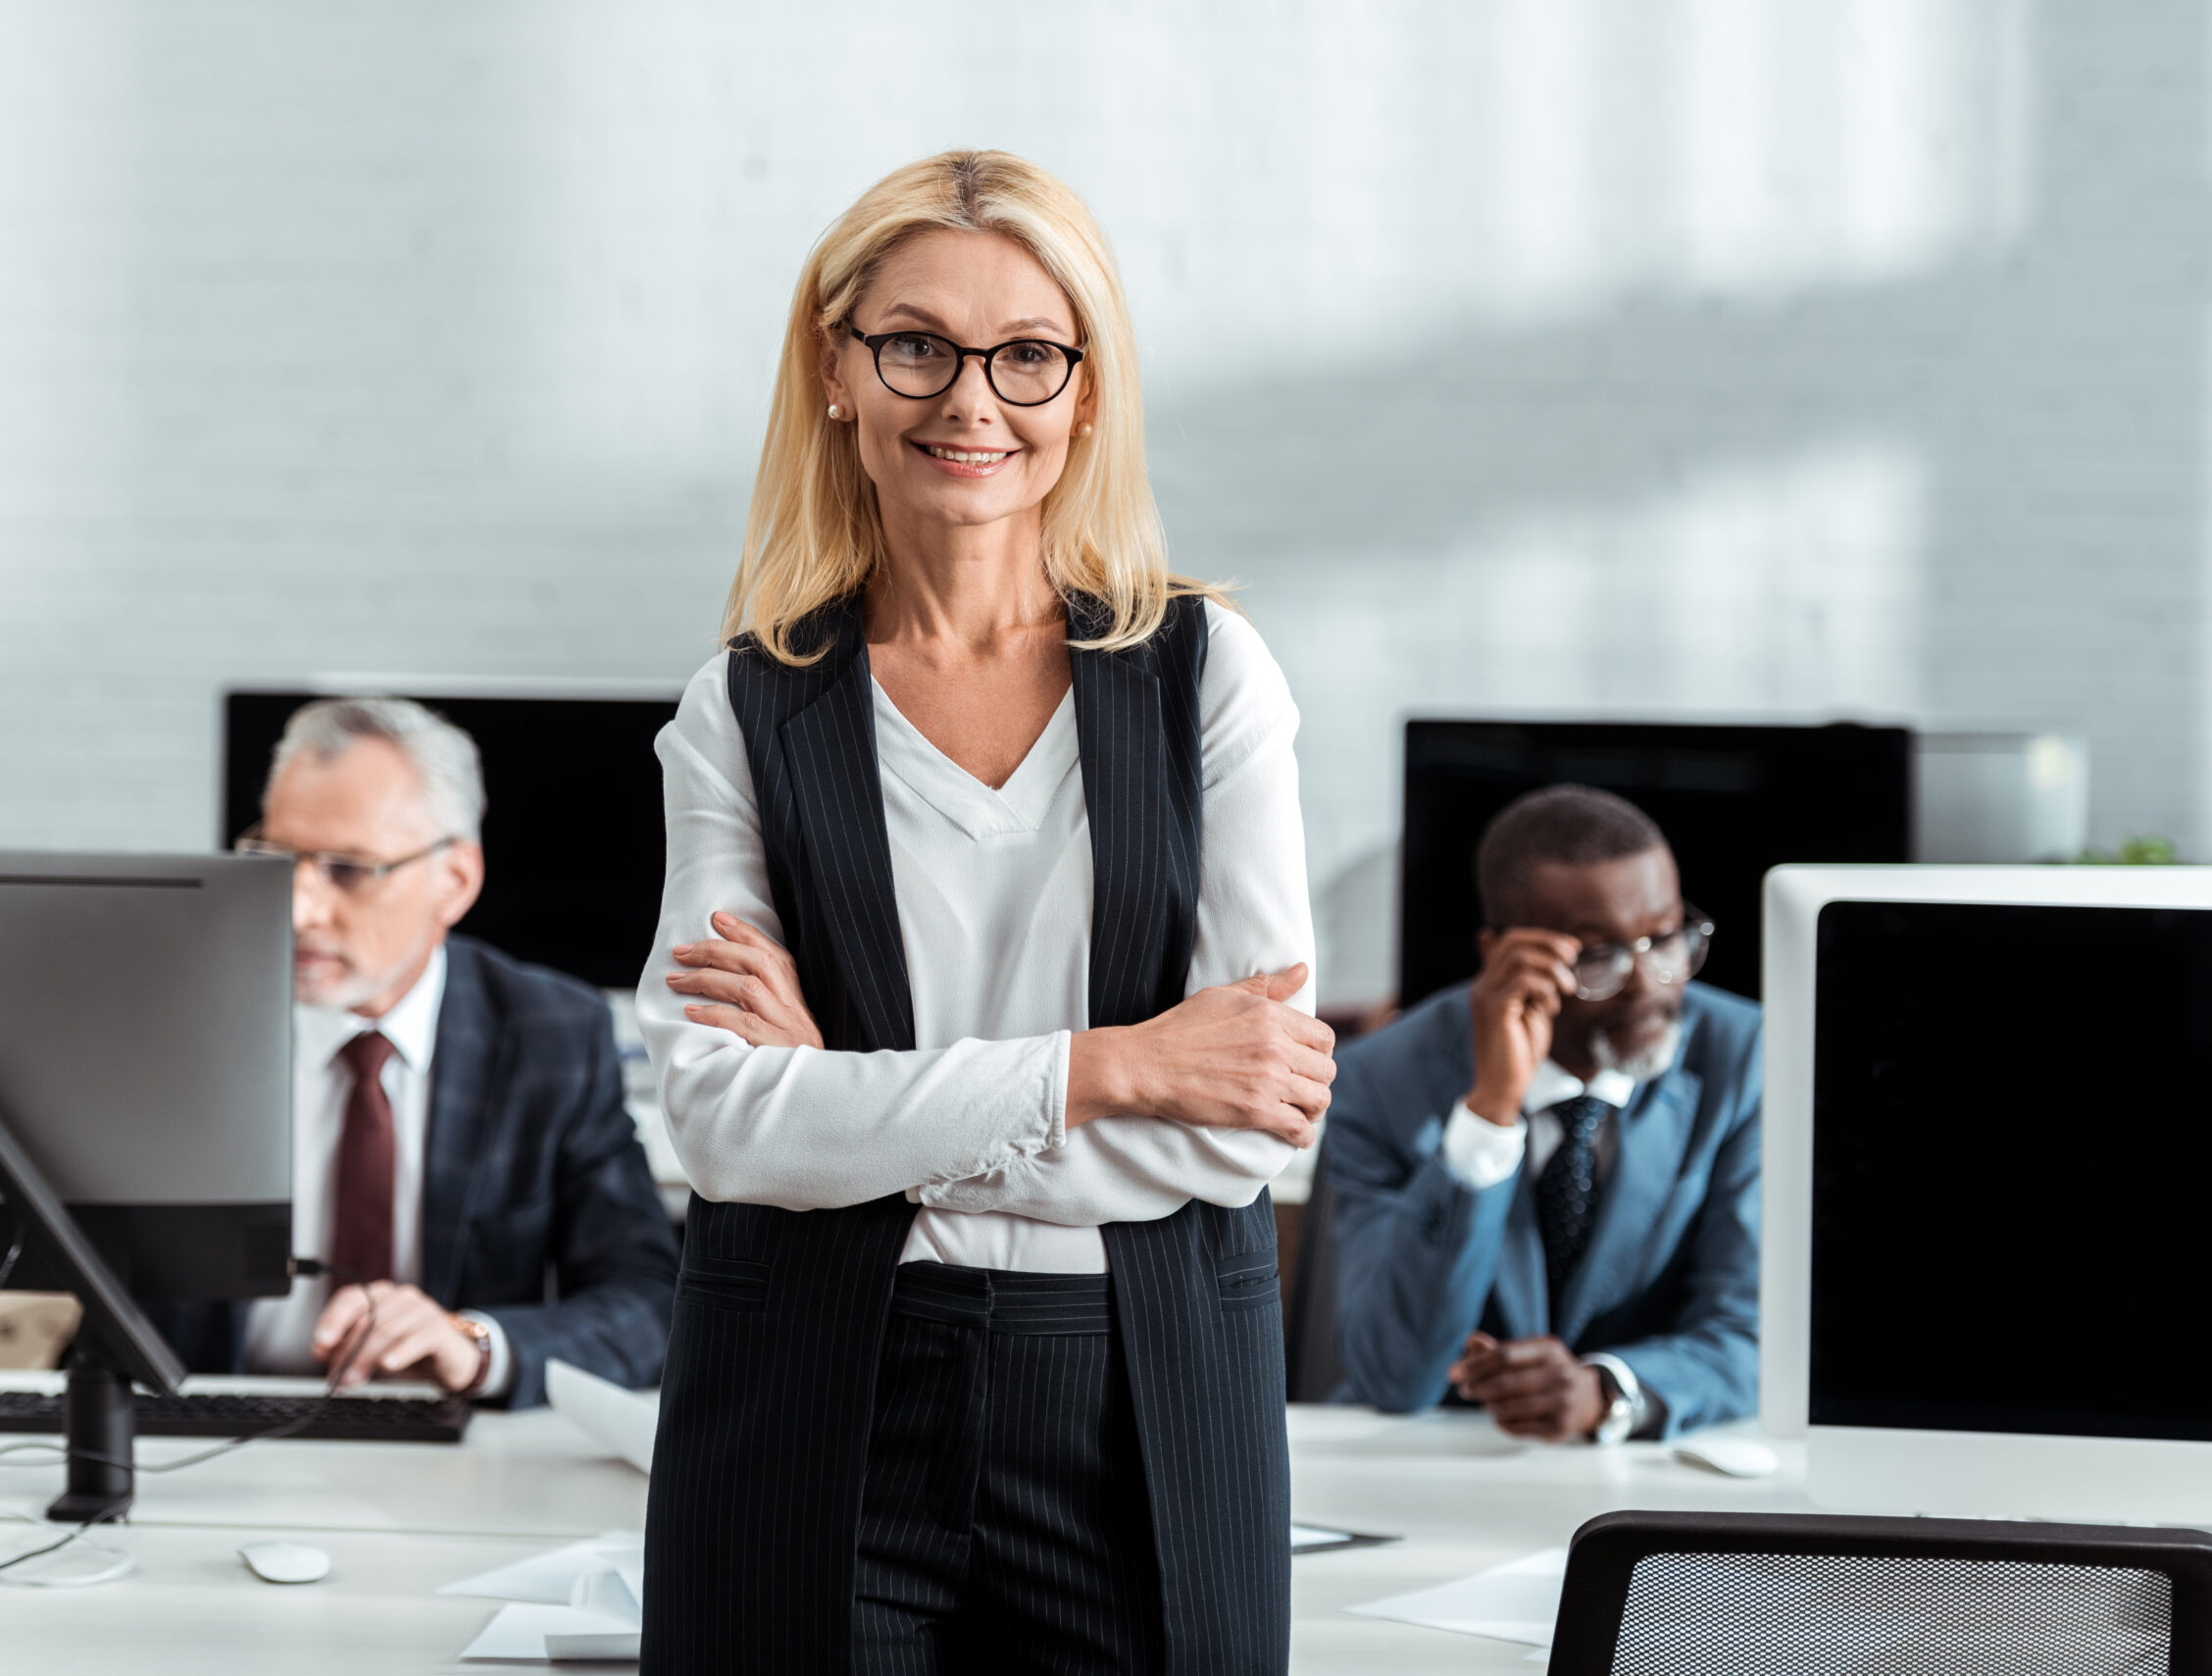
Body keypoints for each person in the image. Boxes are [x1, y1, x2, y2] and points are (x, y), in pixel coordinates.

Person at [635, 151, 1334, 1674]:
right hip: (813, 1394)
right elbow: (723, 1123)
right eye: (916, 345)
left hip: (1138, 1399)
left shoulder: (1206, 675)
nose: (972, 400)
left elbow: (1248, 1120)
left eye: (1028, 353)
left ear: (1087, 391)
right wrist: (1114, 1067)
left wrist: (855, 1118)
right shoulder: (745, 710)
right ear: (836, 370)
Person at [165, 696, 678, 1404]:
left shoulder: (549, 1034)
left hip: (444, 1445)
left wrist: (474, 1346)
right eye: (277, 859)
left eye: (348, 868)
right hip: (202, 1433)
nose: (298, 908)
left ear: (455, 881)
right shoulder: (180, 1020)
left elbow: (650, 1303)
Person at [1318, 785, 1761, 1443]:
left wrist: (1608, 1390)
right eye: (1598, 954)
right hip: (1437, 1465)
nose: (1649, 984)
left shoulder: (1744, 1054)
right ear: (1502, 954)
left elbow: (1752, 1335)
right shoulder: (1376, 1080)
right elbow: (1394, 1375)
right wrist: (1489, 1114)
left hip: (1653, 1468)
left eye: (1664, 938)